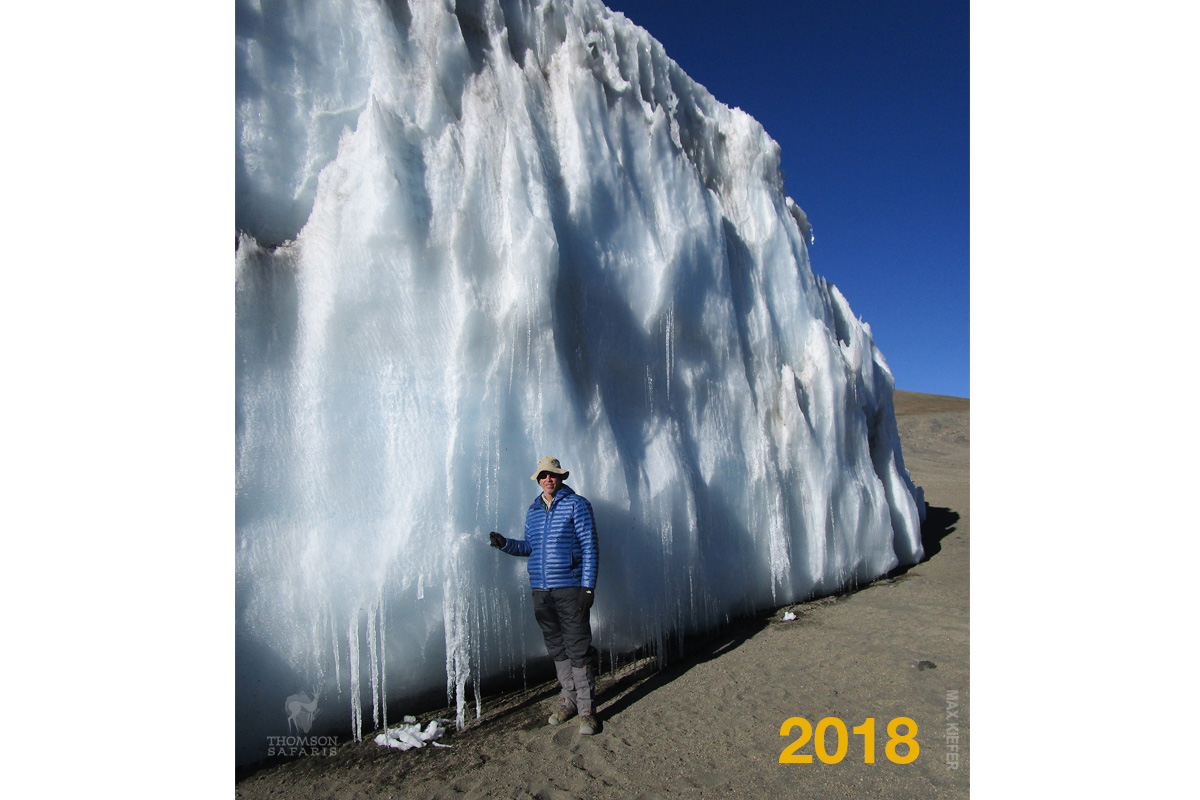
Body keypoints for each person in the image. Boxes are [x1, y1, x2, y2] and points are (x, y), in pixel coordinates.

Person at [489, 456, 600, 734]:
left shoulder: (577, 504)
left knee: (577, 647)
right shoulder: (534, 510)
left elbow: (590, 546)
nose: (548, 479)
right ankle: (569, 701)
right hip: (541, 590)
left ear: (561, 477)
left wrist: (588, 586)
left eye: (552, 474)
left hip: (570, 588)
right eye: (543, 475)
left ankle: (586, 710)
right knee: (557, 648)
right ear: (538, 479)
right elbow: (530, 547)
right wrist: (506, 545)